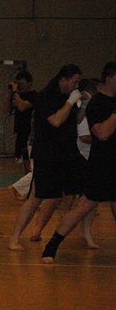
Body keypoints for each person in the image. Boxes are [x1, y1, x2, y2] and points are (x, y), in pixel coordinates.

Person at [40, 62, 116, 263]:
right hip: (101, 165)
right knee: (84, 206)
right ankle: (52, 245)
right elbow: (102, 134)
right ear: (109, 78)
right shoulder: (98, 103)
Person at [7, 64, 85, 251]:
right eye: (75, 82)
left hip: (68, 153)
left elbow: (76, 119)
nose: (77, 86)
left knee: (67, 194)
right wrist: (70, 101)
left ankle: (48, 232)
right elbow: (56, 120)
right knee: (36, 197)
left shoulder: (69, 96)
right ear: (64, 80)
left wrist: (83, 104)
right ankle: (14, 238)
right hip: (47, 154)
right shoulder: (45, 96)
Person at [6, 70, 37, 172]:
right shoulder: (17, 95)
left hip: (30, 133)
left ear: (29, 83)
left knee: (29, 160)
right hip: (21, 132)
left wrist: (15, 92)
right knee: (23, 159)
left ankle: (30, 177)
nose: (20, 86)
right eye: (18, 84)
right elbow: (6, 109)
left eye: (22, 84)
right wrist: (10, 93)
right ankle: (27, 177)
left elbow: (22, 107)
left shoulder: (34, 95)